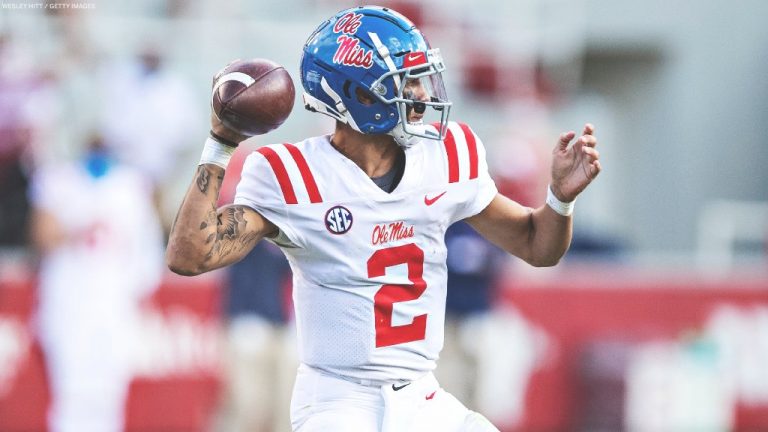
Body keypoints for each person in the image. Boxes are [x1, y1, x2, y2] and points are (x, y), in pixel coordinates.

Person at [166, 6, 601, 432]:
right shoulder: (291, 174)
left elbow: (536, 245)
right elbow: (189, 256)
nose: (422, 94)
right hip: (338, 401)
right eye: (406, 81)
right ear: (357, 93)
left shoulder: (448, 155)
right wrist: (221, 143)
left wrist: (559, 199)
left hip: (422, 397)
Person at [29, 135, 163, 432]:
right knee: (71, 389)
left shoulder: (131, 186)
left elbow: (147, 253)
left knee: (110, 390)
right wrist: (74, 228)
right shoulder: (59, 181)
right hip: (69, 302)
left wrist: (140, 291)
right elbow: (43, 235)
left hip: (115, 302)